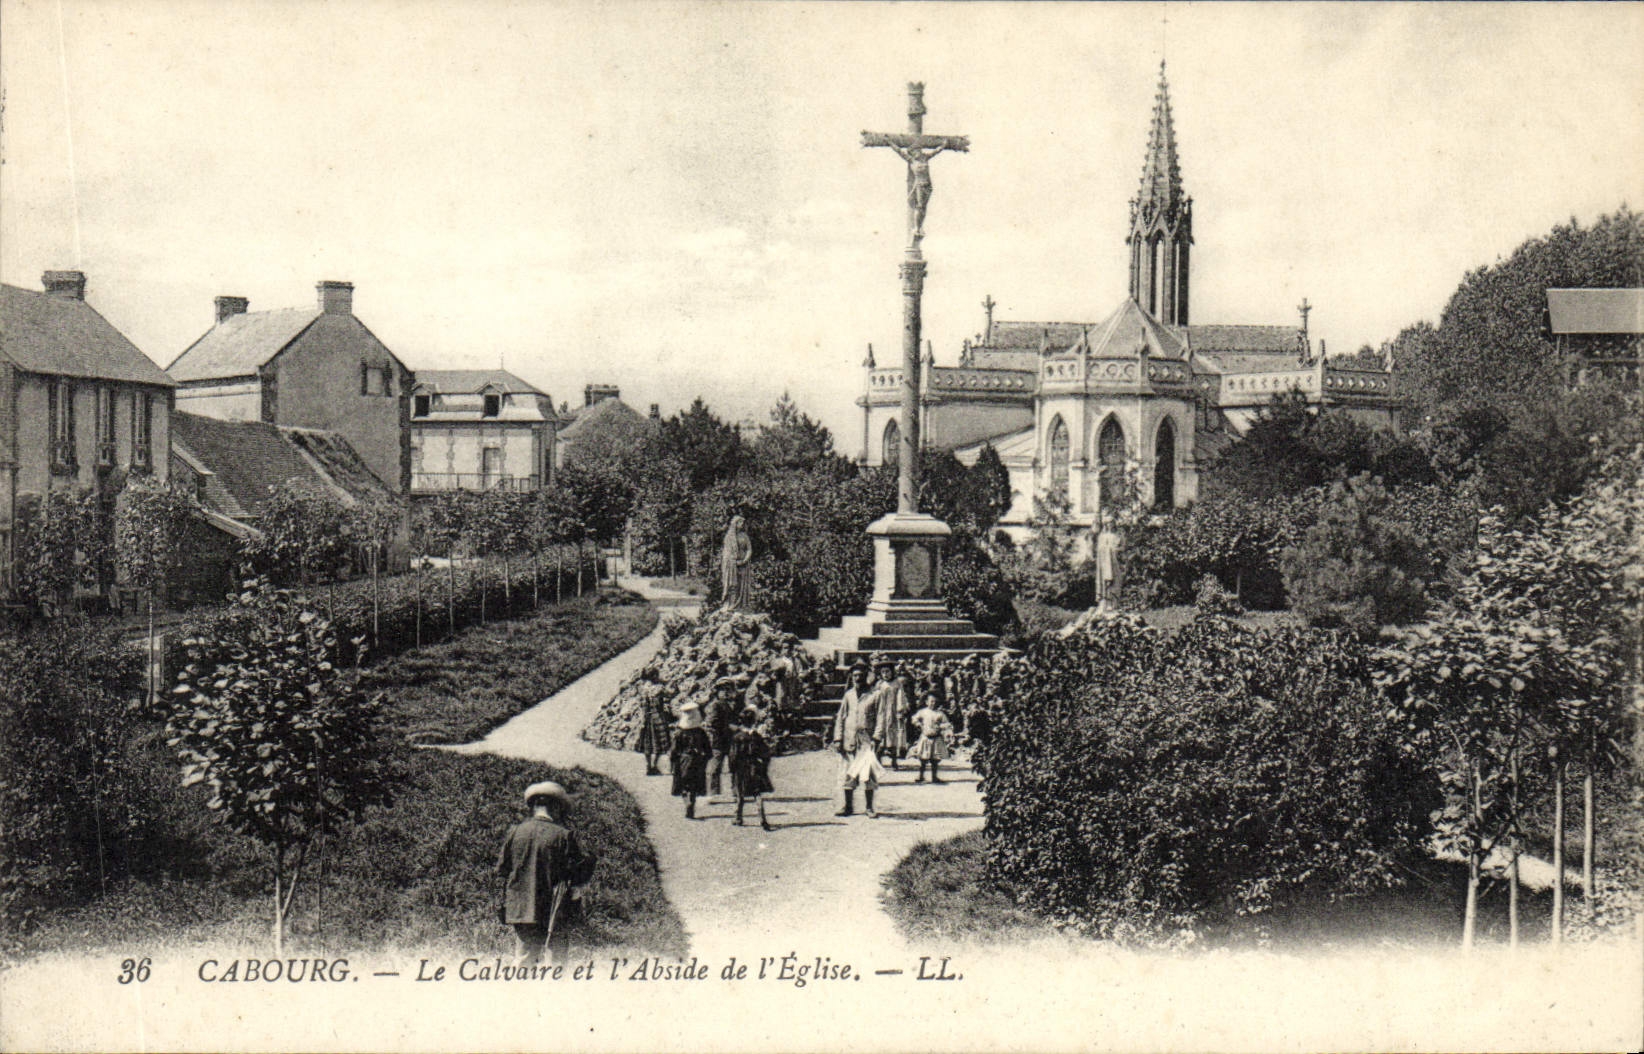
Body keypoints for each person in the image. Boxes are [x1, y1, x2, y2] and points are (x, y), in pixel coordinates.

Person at [496, 781, 597, 967]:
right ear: (556, 807)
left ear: (534, 807)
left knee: (523, 960)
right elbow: (579, 872)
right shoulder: (564, 835)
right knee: (555, 963)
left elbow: (503, 869)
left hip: (523, 906)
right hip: (555, 908)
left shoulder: (515, 832)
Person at [831, 661, 884, 818]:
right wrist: (838, 738)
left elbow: (881, 718)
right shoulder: (848, 695)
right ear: (851, 677)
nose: (858, 678)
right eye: (855, 675)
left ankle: (869, 807)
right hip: (849, 739)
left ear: (866, 676)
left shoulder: (875, 695)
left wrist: (877, 737)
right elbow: (841, 717)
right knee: (848, 773)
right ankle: (848, 807)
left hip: (867, 739)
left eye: (861, 675)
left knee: (867, 773)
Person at [728, 707, 775, 830]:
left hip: (741, 768)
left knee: (739, 794)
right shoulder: (757, 736)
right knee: (757, 793)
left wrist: (732, 769)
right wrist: (763, 767)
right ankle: (762, 819)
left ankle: (738, 817)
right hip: (755, 767)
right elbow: (766, 753)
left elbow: (733, 755)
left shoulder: (737, 737)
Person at [670, 702, 713, 820]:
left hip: (683, 760)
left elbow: (673, 751)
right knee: (694, 785)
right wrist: (704, 759)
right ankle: (692, 805)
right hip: (698, 760)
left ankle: (687, 803)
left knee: (683, 784)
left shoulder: (679, 732)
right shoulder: (700, 732)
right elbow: (708, 750)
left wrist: (673, 762)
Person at [704, 677, 739, 799]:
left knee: (735, 766)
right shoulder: (715, 705)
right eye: (723, 690)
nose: (726, 693)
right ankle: (713, 793)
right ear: (717, 692)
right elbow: (712, 723)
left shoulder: (734, 704)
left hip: (731, 740)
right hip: (719, 740)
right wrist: (729, 727)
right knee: (715, 767)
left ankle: (736, 791)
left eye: (728, 690)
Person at [872, 658, 909, 771]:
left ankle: (894, 761)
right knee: (880, 736)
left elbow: (901, 698)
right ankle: (878, 762)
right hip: (881, 713)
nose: (885, 674)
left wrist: (900, 710)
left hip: (892, 713)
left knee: (892, 736)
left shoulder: (897, 684)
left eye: (887, 672)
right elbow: (874, 697)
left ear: (892, 672)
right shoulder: (879, 684)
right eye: (883, 672)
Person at [909, 693, 954, 784]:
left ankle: (934, 777)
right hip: (926, 737)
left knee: (935, 759)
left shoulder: (940, 714)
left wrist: (942, 726)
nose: (933, 703)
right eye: (931, 701)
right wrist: (918, 724)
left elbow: (947, 723)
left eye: (935, 702)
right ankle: (921, 776)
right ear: (926, 702)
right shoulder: (923, 712)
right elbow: (914, 718)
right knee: (923, 758)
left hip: (936, 738)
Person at [635, 679, 671, 776]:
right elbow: (669, 694)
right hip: (658, 718)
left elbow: (642, 706)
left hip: (647, 720)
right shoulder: (659, 688)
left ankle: (648, 766)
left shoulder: (643, 689)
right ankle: (655, 765)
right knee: (659, 743)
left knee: (647, 743)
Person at [719, 515, 753, 611]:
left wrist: (744, 560)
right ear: (735, 524)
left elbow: (749, 549)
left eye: (742, 523)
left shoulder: (744, 536)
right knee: (732, 584)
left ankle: (741, 605)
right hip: (731, 565)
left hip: (743, 564)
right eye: (740, 522)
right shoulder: (729, 537)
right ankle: (730, 604)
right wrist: (733, 561)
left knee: (741, 585)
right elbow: (726, 552)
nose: (742, 524)